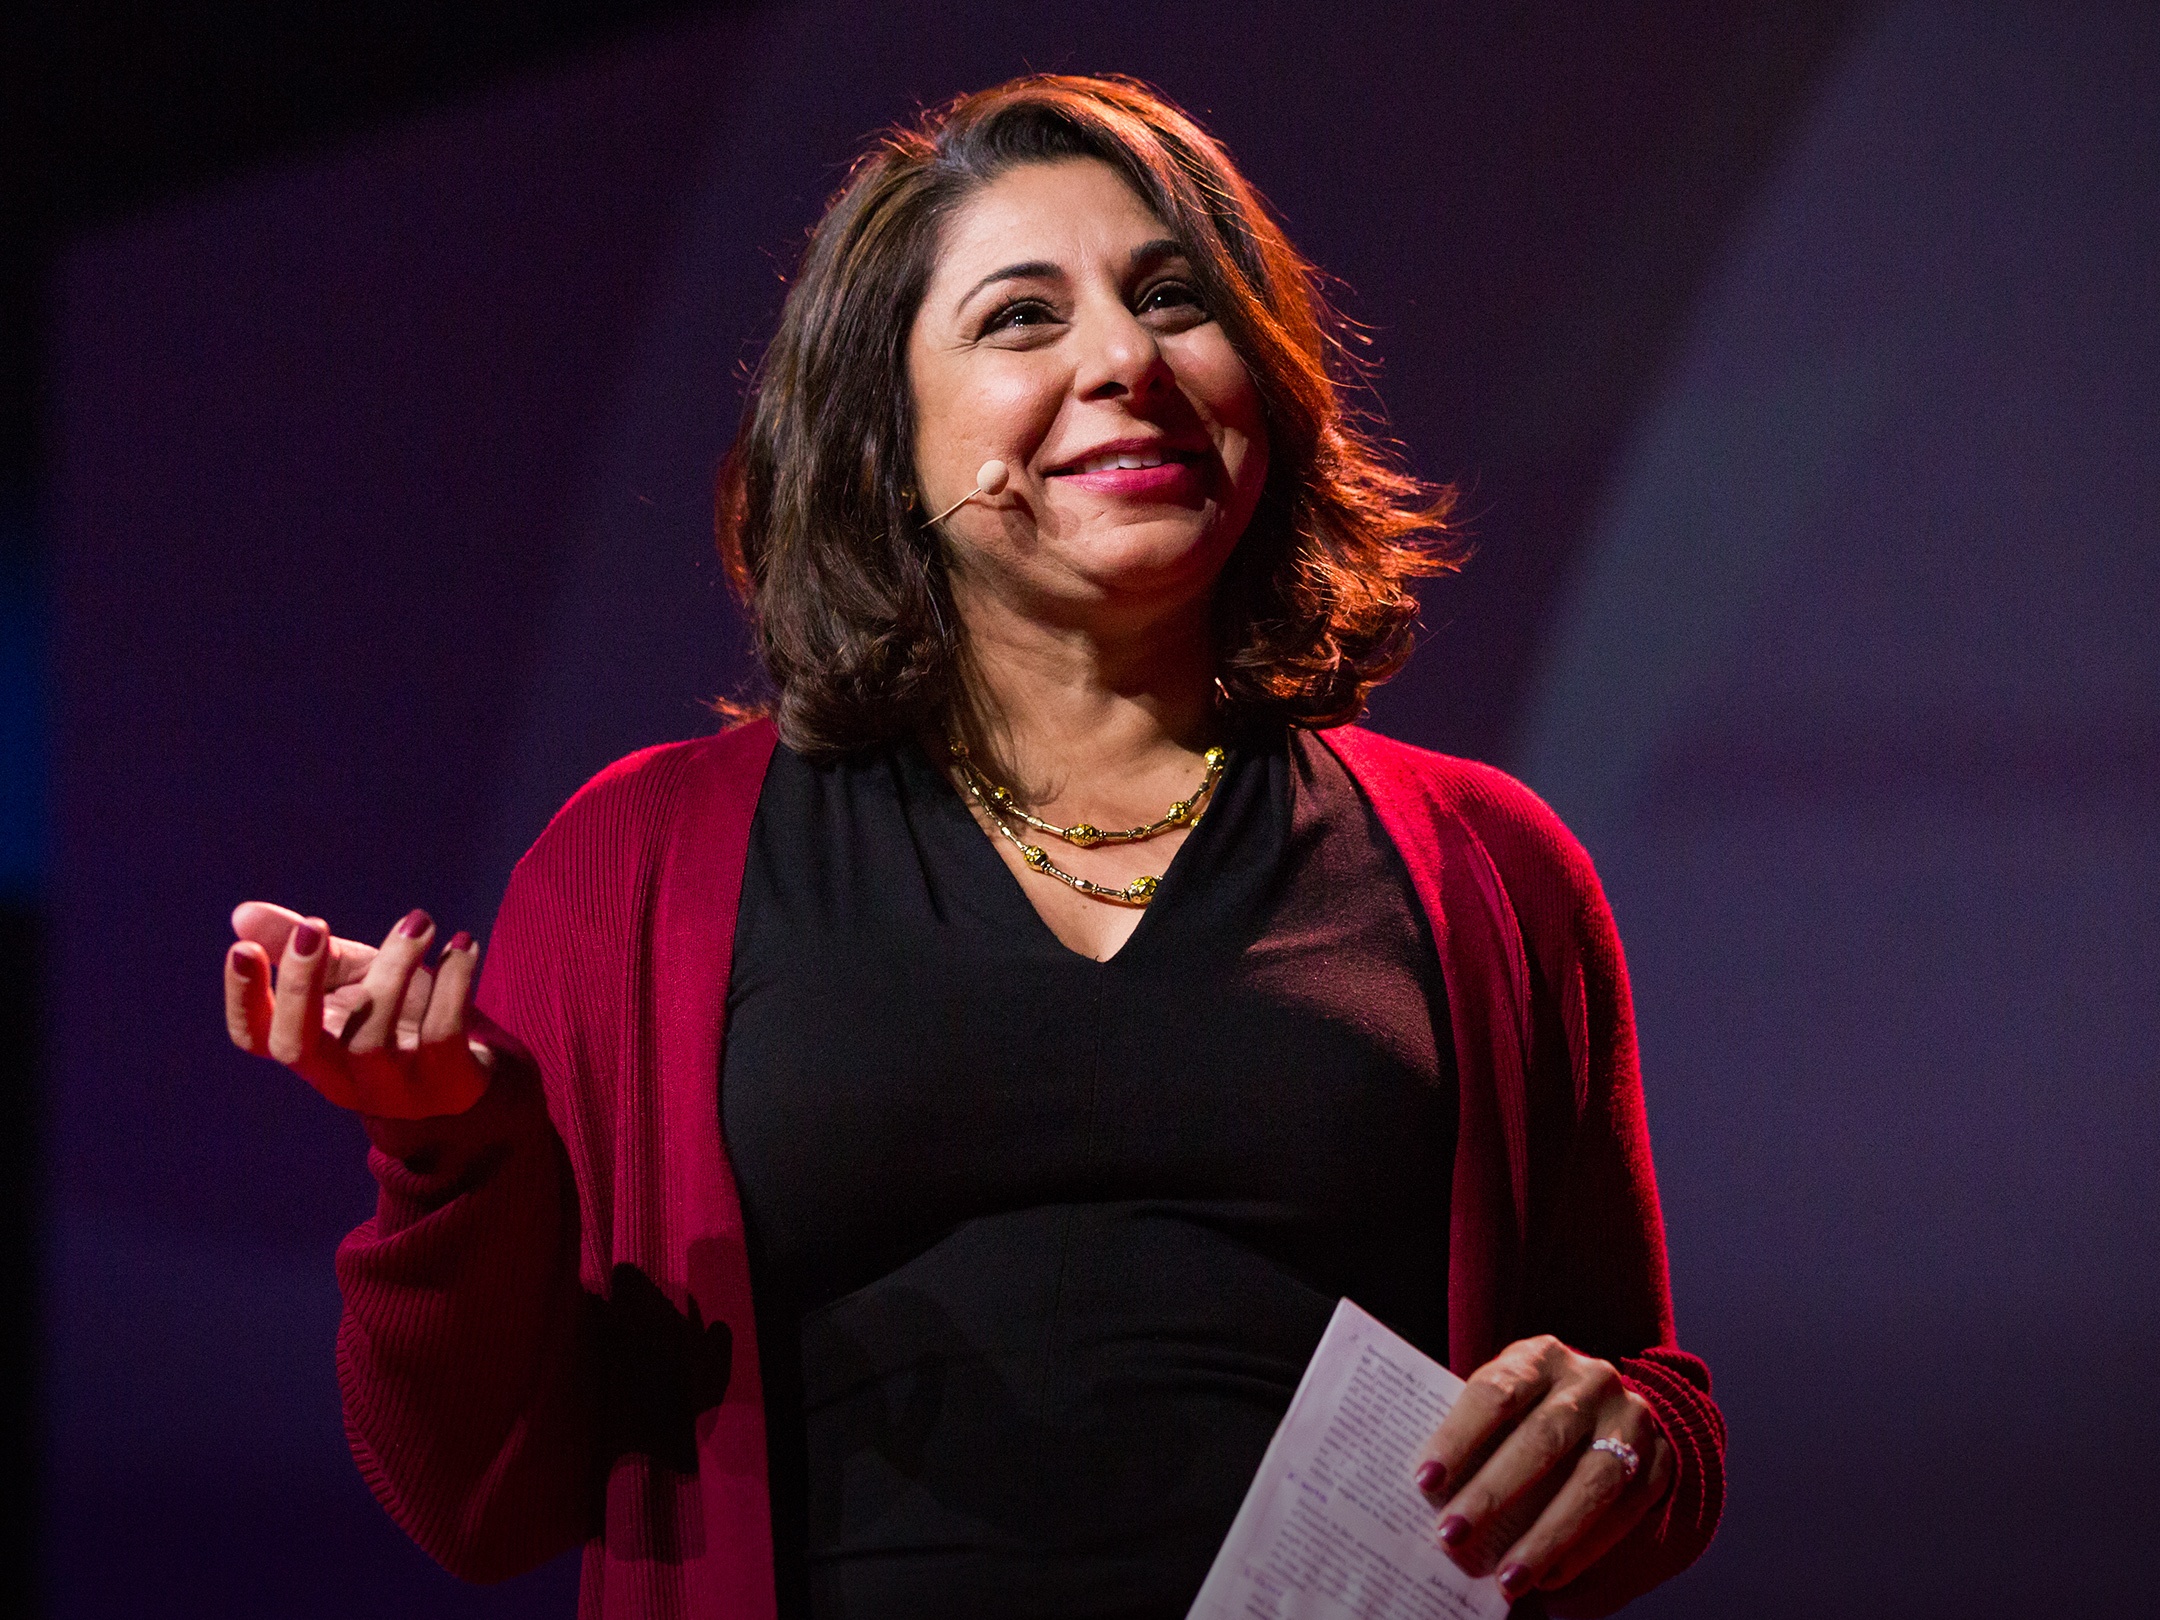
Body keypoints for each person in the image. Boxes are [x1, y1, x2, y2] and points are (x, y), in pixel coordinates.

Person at [221, 75, 1723, 1619]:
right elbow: (478, 1499)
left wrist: (1626, 1446)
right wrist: (448, 1150)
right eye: (1022, 318)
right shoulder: (641, 861)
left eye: (1174, 300)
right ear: (884, 436)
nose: (1125, 359)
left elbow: (1641, 1413)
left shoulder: (1485, 862)